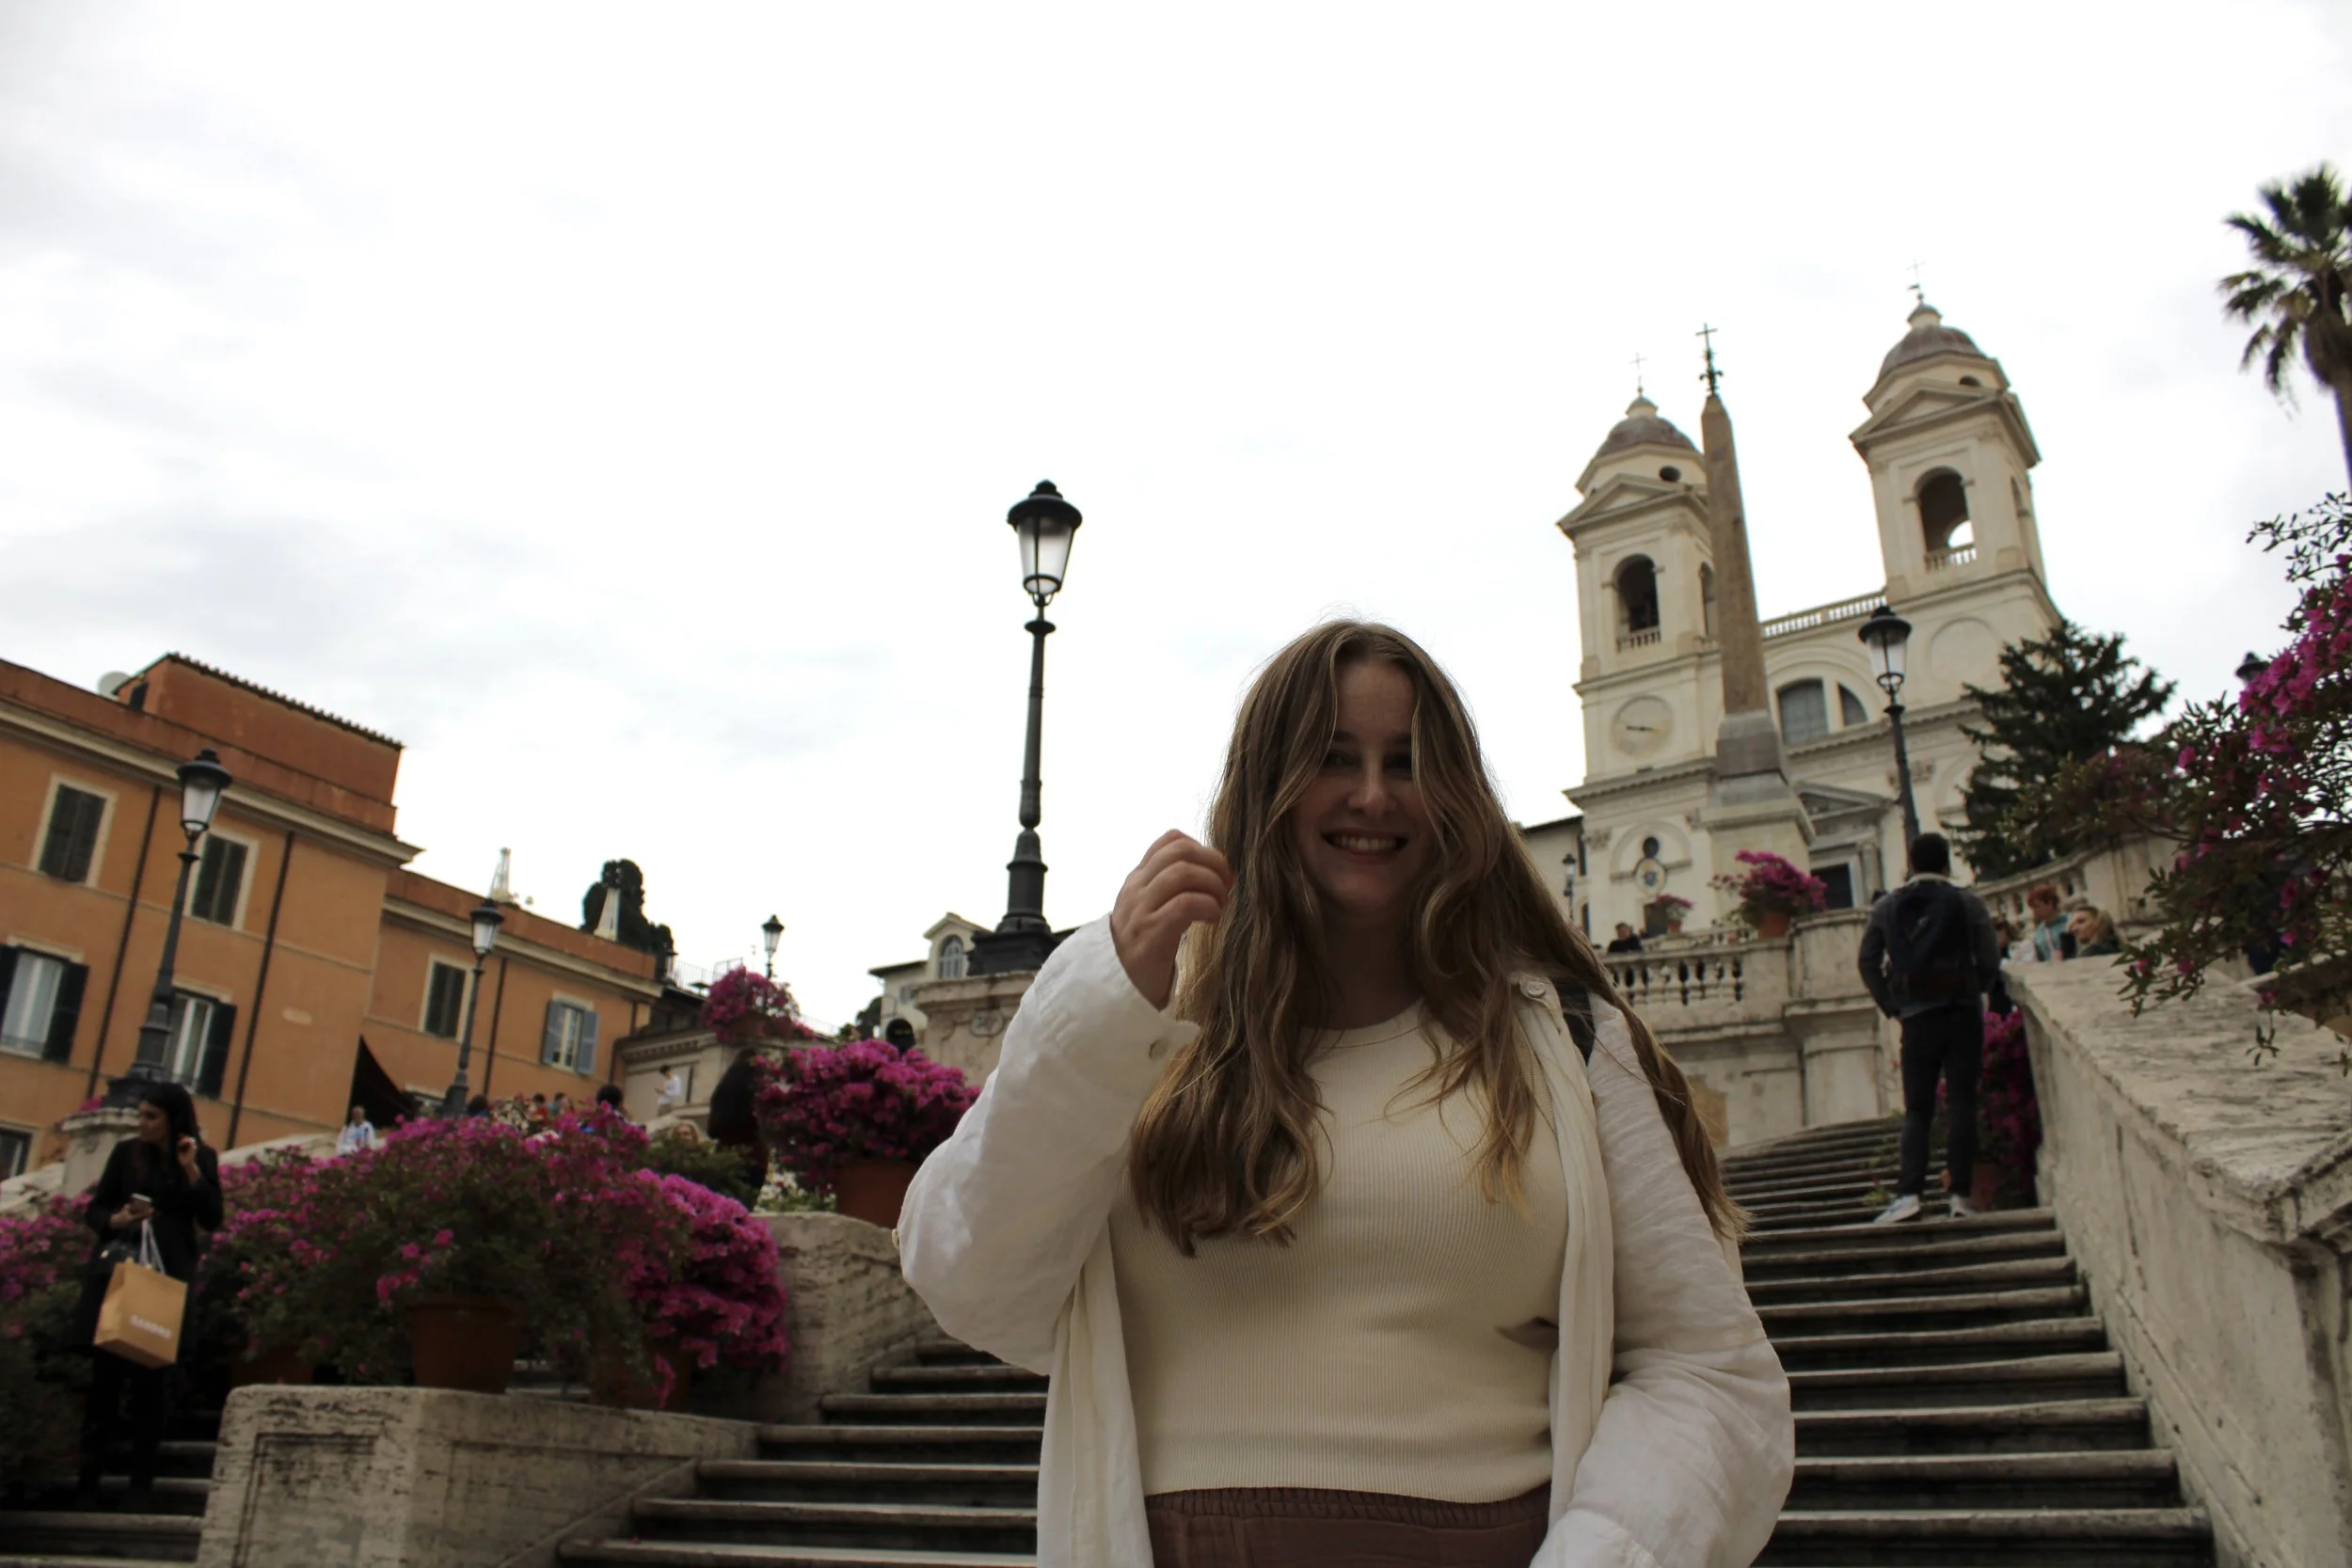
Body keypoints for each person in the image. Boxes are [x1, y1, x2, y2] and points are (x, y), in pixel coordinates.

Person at [899, 620, 1792, 1568]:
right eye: (1332, 757)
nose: (1372, 793)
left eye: (1407, 762)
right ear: (1263, 784)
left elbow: (1707, 1368)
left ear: (1457, 797)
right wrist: (1090, 1014)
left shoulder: (1570, 1041)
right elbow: (971, 1282)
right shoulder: (1140, 1030)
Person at [79, 1082, 221, 1512]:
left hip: (165, 1279)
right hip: (120, 1276)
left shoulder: (199, 1157)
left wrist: (192, 1169)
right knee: (103, 1385)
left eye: (150, 1117)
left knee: (150, 1387)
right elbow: (97, 1208)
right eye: (140, 1115)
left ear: (172, 1119)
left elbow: (212, 1218)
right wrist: (119, 1218)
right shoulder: (126, 1154)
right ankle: (88, 1485)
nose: (141, 1123)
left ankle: (140, 1485)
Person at [1859, 833, 2003, 1224]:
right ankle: (1959, 1195)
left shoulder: (1887, 907)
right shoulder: (1967, 902)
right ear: (1946, 864)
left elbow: (1868, 962)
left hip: (1916, 1018)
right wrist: (1977, 990)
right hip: (1961, 1013)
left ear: (1910, 862)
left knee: (1917, 1110)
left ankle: (1909, 1195)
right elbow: (1990, 957)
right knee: (1961, 1104)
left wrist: (1893, 1006)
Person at [2025, 884, 2074, 963]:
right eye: (2032, 908)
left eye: (2037, 906)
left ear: (2050, 903)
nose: (2034, 911)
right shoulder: (2038, 933)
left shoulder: (2071, 921)